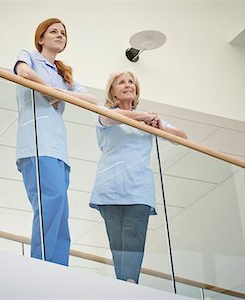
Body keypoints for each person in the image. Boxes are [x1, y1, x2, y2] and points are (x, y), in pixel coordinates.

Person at [89, 71, 187, 283]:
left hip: (139, 189)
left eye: (131, 82)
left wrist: (160, 124)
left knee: (134, 238)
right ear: (112, 91)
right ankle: (123, 285)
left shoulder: (151, 119)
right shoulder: (103, 112)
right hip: (110, 189)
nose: (127, 85)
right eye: (121, 82)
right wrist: (144, 117)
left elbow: (182, 138)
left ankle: (130, 284)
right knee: (118, 244)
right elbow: (113, 118)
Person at [14, 18, 97, 266]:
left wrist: (58, 92)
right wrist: (51, 90)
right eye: (54, 31)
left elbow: (91, 100)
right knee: (49, 204)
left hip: (59, 150)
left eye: (63, 33)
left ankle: (59, 267)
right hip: (37, 145)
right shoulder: (28, 55)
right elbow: (23, 73)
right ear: (41, 38)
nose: (60, 35)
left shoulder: (63, 73)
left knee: (60, 208)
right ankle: (41, 265)